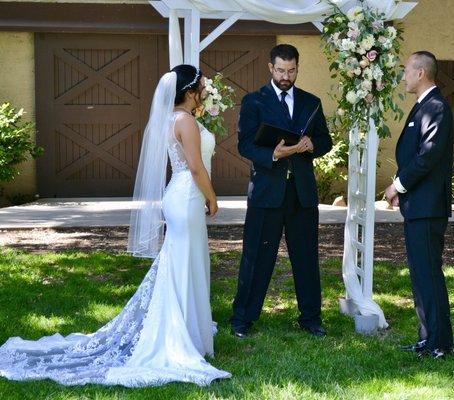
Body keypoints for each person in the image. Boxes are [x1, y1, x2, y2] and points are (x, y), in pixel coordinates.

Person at [0, 65, 231, 386]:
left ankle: (188, 331)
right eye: (202, 86)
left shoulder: (171, 119)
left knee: (183, 261)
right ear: (191, 91)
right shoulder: (186, 122)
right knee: (185, 262)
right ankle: (180, 335)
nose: (205, 90)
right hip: (189, 195)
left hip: (178, 196)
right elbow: (195, 167)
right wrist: (213, 197)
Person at [230, 44, 333, 338]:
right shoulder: (254, 102)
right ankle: (242, 319)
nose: (286, 76)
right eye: (280, 70)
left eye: (291, 70)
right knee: (256, 257)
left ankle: (311, 318)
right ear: (270, 68)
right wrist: (274, 154)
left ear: (298, 68)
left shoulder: (311, 102)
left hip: (302, 194)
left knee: (306, 258)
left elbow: (324, 140)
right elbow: (245, 144)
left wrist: (313, 145)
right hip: (267, 192)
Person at [384, 51, 454, 359]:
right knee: (420, 274)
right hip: (417, 205)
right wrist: (404, 190)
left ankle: (441, 344)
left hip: (427, 209)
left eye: (407, 71)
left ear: (422, 73)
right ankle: (428, 339)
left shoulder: (437, 107)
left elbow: (427, 156)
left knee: (428, 274)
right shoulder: (424, 106)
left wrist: (397, 185)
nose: (403, 76)